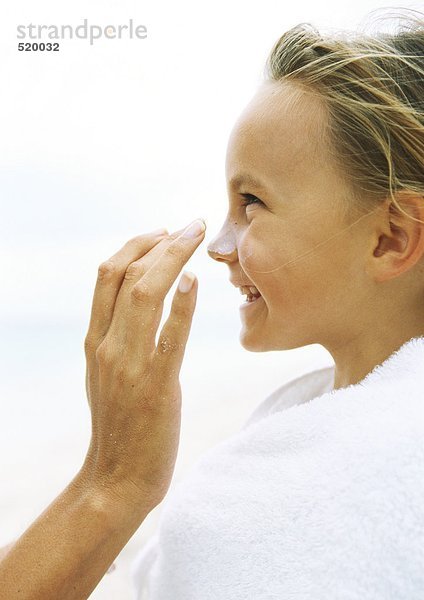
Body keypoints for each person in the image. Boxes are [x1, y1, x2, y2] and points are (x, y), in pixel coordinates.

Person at [1, 8, 423, 600]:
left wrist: (113, 477)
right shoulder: (310, 428)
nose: (219, 247)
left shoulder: (376, 470)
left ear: (391, 238)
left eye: (251, 202)